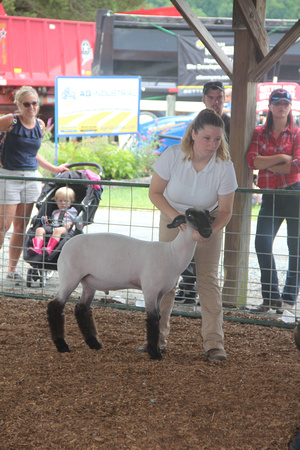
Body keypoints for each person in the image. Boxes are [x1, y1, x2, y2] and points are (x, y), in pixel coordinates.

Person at [137, 108, 237, 361]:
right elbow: (155, 193)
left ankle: (214, 344)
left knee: (208, 279)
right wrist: (177, 219)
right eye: (207, 138)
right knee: (164, 280)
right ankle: (156, 340)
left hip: (206, 222)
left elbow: (225, 210)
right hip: (174, 219)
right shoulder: (172, 155)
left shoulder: (224, 166)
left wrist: (208, 231)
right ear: (193, 134)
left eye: (217, 139)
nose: (213, 144)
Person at [0, 85, 69, 284]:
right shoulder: (11, 121)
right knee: (3, 225)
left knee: (21, 225)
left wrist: (53, 168)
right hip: (10, 177)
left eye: (34, 103)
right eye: (27, 104)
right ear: (19, 105)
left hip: (31, 178)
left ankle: (11, 270)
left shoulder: (39, 124)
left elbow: (33, 153)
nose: (31, 107)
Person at [175, 80, 231, 304]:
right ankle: (187, 287)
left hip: (218, 195)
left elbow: (230, 156)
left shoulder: (230, 123)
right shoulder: (195, 124)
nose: (215, 102)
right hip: (189, 195)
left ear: (224, 99)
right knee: (185, 241)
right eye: (211, 98)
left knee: (210, 247)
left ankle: (206, 290)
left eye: (219, 98)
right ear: (204, 99)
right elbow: (184, 153)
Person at [247, 88, 300, 313]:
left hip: (294, 194)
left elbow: (297, 165)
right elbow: (252, 161)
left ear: (290, 107)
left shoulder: (297, 133)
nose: (281, 107)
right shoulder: (260, 132)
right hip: (270, 196)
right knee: (262, 243)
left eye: (285, 103)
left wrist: (267, 163)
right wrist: (281, 158)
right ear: (269, 106)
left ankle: (288, 299)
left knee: (295, 247)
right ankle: (271, 298)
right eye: (277, 103)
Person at [28, 187, 78, 257]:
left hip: (65, 228)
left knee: (58, 230)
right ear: (56, 201)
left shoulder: (72, 211)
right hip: (53, 226)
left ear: (71, 202)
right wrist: (47, 221)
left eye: (66, 201)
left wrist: (71, 223)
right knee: (39, 229)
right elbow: (52, 221)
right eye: (60, 201)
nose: (63, 203)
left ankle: (49, 249)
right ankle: (37, 248)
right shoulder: (55, 212)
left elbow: (75, 219)